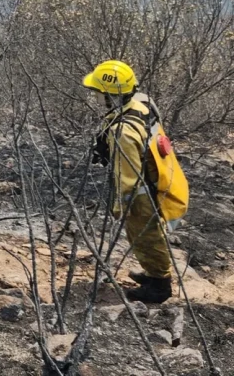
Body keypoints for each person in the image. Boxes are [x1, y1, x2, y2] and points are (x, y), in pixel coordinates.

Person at [83, 60, 188, 304]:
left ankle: (159, 286)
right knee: (146, 236)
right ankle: (153, 273)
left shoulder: (124, 131)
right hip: (159, 179)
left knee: (145, 236)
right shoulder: (142, 102)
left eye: (100, 95)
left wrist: (120, 207)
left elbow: (126, 175)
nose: (97, 100)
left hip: (143, 193)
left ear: (113, 96)